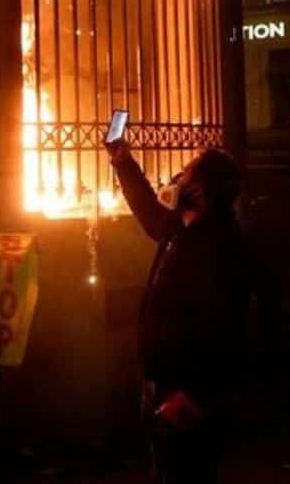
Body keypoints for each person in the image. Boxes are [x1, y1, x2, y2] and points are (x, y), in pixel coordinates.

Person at [105, 138, 248, 484]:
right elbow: (150, 213)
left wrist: (190, 391)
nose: (176, 179)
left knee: (187, 472)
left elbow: (219, 326)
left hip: (186, 396)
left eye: (184, 174)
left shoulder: (215, 246)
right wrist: (124, 163)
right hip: (166, 386)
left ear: (199, 190)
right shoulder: (184, 230)